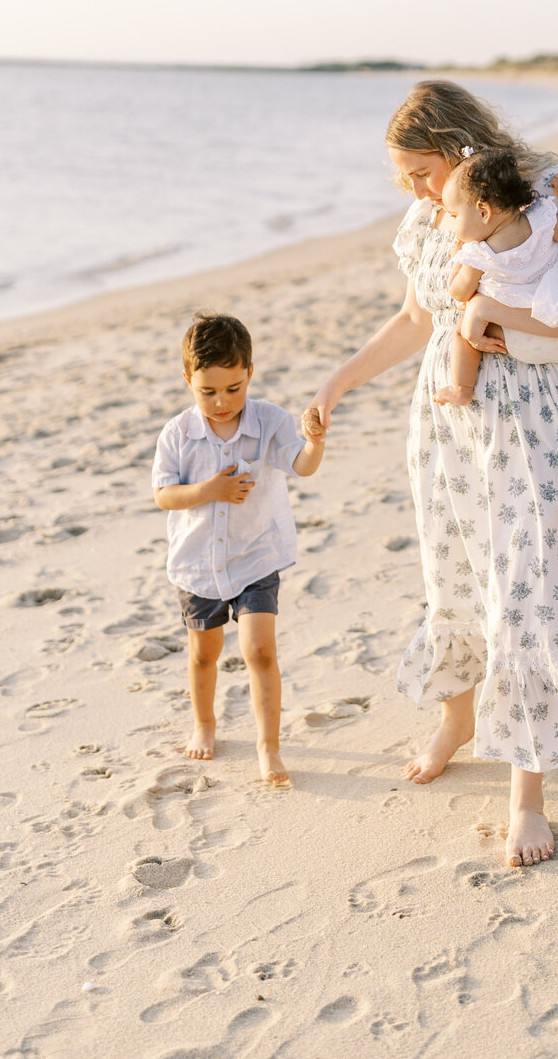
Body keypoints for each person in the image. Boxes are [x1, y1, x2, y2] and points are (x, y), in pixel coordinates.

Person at [309, 79, 558, 867]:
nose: (416, 193)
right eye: (406, 179)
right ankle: (457, 717)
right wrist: (339, 380)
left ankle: (527, 791)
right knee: (454, 577)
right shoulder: (429, 219)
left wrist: (495, 320)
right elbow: (422, 319)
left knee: (534, 592)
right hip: (453, 422)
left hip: (546, 420)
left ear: (462, 148)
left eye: (422, 172)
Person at [152, 312, 326, 781]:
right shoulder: (178, 434)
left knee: (260, 651)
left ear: (249, 372)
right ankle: (204, 724)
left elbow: (301, 466)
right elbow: (163, 495)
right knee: (204, 653)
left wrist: (315, 442)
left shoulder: (270, 420)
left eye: (233, 388)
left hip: (255, 556)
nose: (222, 401)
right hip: (198, 563)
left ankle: (268, 747)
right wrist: (209, 490)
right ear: (188, 380)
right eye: (207, 391)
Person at [434, 147, 558, 441]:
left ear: (483, 210)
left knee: (462, 334)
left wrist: (458, 261)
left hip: (510, 337)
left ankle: (461, 389)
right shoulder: (543, 219)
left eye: (455, 215)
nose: (453, 225)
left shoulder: (479, 253)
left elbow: (461, 293)